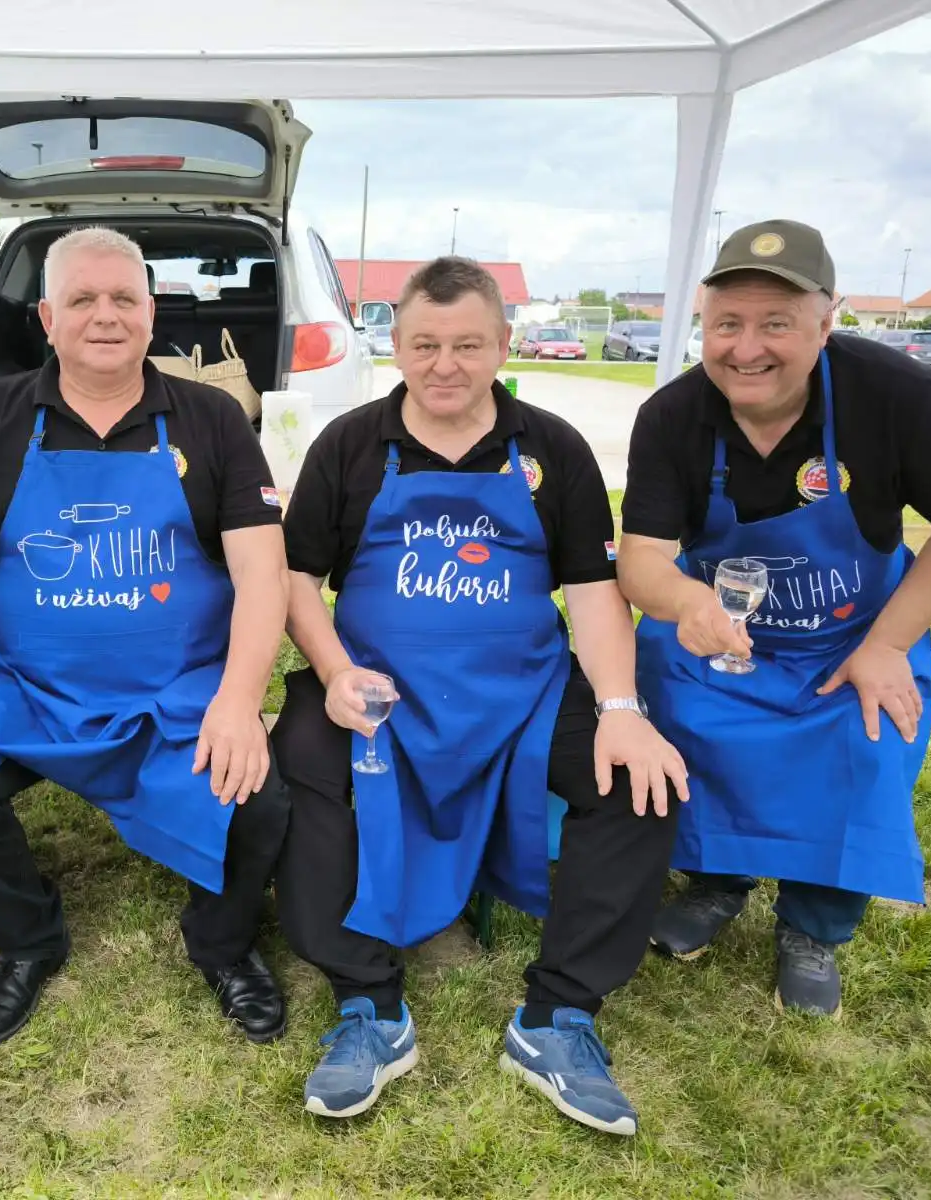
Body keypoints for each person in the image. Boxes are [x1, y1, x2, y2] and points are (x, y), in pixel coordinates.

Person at [272, 256, 689, 1135]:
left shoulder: (553, 447)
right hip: (378, 688)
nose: (446, 365)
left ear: (505, 343)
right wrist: (336, 671)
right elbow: (298, 577)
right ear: (396, 345)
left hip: (525, 694)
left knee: (637, 786)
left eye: (468, 345)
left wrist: (622, 711)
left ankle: (558, 1018)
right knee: (302, 765)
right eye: (426, 345)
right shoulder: (349, 444)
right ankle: (368, 1008)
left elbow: (592, 589)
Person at [0, 227, 292, 1048]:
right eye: (82, 299)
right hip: (24, 691)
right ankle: (27, 938)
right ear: (46, 316)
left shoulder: (212, 418)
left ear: (151, 314)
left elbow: (263, 574)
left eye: (123, 299)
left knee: (260, 799)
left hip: (172, 693)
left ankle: (222, 946)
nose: (104, 316)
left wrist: (240, 703)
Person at [619, 219, 931, 1017]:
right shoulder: (671, 417)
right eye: (727, 323)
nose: (746, 348)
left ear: (825, 325)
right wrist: (688, 604)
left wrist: (888, 643)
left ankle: (815, 924)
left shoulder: (899, 395)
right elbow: (641, 561)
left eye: (776, 324)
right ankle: (716, 882)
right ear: (702, 324)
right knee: (683, 710)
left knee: (865, 736)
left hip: (851, 635)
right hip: (723, 630)